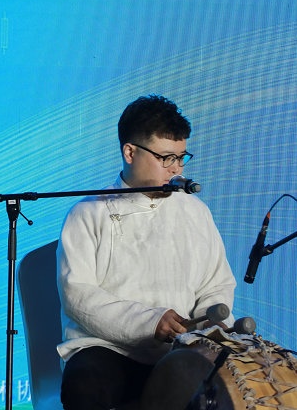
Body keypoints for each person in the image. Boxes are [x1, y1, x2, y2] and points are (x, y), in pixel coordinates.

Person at [56, 94, 236, 410]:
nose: (176, 169)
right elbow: (78, 295)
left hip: (181, 350)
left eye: (181, 157)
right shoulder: (87, 213)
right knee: (83, 384)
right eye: (166, 158)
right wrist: (151, 322)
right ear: (130, 152)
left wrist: (208, 328)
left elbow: (216, 285)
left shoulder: (195, 211)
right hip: (110, 350)